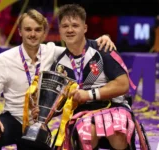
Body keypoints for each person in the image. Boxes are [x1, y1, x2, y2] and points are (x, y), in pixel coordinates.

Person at [0, 8, 116, 150]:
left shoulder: (53, 52)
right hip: (14, 118)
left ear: (44, 33)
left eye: (38, 30)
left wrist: (102, 39)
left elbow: (79, 46)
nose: (33, 34)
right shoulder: (4, 59)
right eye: (28, 29)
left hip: (39, 124)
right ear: (20, 32)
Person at [50, 4, 134, 150]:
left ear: (85, 28)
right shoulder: (58, 65)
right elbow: (57, 103)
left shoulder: (103, 49)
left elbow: (123, 84)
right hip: (82, 114)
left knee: (117, 132)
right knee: (88, 133)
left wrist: (88, 94)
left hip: (113, 106)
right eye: (65, 26)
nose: (70, 30)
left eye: (75, 25)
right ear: (60, 30)